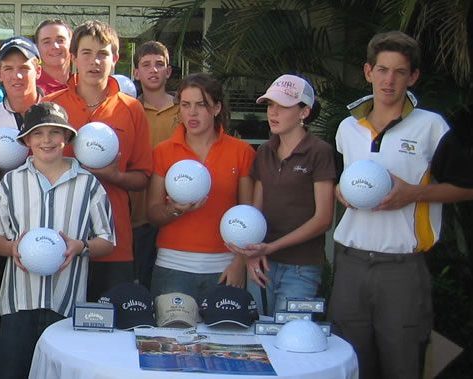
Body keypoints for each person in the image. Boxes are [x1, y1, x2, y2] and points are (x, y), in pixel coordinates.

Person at [329, 31, 458, 379]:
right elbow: (348, 178)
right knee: (350, 365)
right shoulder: (347, 128)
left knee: (402, 365)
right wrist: (343, 190)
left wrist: (413, 194)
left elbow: (464, 188)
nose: (389, 80)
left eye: (399, 72)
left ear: (412, 76)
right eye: (382, 70)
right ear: (368, 71)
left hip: (402, 268)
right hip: (350, 263)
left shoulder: (432, 127)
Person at [0, 102, 115, 379]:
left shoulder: (88, 183)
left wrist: (81, 246)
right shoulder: (11, 182)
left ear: (67, 138)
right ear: (27, 140)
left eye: (55, 132)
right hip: (19, 302)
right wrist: (13, 248)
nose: (47, 140)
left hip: (65, 304)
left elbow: (107, 240)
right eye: (38, 133)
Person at [46, 20, 153, 300]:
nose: (95, 61)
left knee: (111, 330)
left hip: (114, 243)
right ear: (73, 58)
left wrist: (115, 176)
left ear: (115, 59)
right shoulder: (52, 106)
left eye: (103, 54)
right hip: (59, 238)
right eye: (86, 53)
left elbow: (143, 177)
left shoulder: (132, 109)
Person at [231, 75, 334, 315]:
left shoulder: (319, 152)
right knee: (259, 339)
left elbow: (323, 219)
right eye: (270, 105)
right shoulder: (265, 151)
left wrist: (269, 247)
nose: (273, 113)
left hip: (301, 267)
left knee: (292, 340)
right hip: (262, 265)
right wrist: (252, 252)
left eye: (283, 106)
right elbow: (256, 211)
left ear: (304, 112)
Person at [145, 73, 254, 300]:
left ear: (216, 108)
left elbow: (250, 215)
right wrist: (175, 209)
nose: (192, 113)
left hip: (224, 267)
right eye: (185, 105)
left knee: (224, 336)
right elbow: (153, 212)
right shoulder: (164, 151)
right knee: (169, 336)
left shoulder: (241, 152)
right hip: (173, 266)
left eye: (201, 105)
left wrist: (239, 263)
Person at [130, 40, 178, 289]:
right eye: (146, 65)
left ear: (168, 71)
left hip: (176, 211)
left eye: (160, 64)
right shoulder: (129, 109)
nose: (153, 70)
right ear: (136, 72)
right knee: (140, 285)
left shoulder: (184, 109)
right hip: (138, 215)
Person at [0, 37, 43, 143]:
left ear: (38, 71)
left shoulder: (57, 114)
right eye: (8, 69)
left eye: (24, 68)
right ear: (0, 74)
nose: (17, 76)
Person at [34, 19, 72, 96]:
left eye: (60, 40)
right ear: (37, 48)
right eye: (46, 42)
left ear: (72, 44)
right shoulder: (31, 89)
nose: (55, 46)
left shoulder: (84, 86)